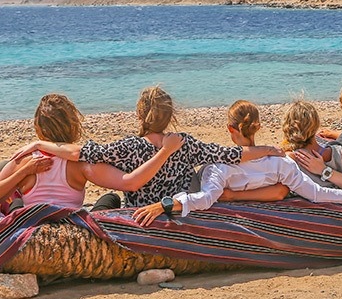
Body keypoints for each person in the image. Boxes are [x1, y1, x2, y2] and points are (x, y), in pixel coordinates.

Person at [20, 87, 285, 209]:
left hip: (142, 216)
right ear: (170, 116)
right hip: (175, 211)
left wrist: (40, 144)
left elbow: (79, 153)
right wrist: (269, 149)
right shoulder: (186, 143)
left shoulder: (128, 147)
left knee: (110, 200)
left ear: (139, 115)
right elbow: (233, 155)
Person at [132, 101, 342, 225]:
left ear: (230, 129)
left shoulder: (219, 167)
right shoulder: (280, 162)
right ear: (258, 127)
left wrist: (163, 205)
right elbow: (317, 194)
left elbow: (206, 199)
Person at [0, 93, 190, 211]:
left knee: (8, 186)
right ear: (73, 125)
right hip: (70, 224)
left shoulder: (23, 160)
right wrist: (164, 151)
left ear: (38, 129)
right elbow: (130, 183)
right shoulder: (82, 164)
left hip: (33, 220)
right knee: (111, 198)